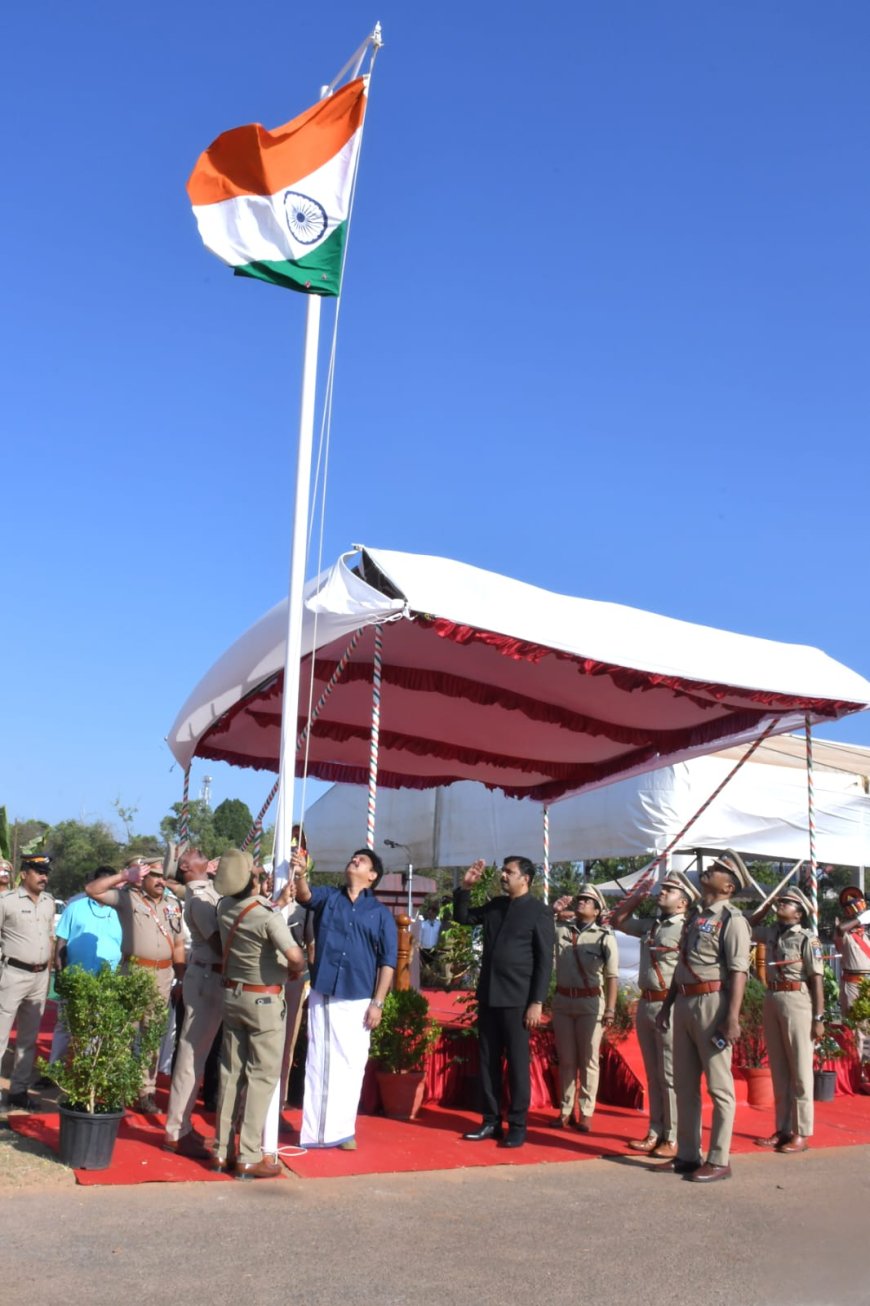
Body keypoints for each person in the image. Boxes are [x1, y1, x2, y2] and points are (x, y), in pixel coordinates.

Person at [656, 850, 752, 1183]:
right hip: (684, 1002)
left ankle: (719, 1158)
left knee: (719, 1086)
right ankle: (686, 1155)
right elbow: (681, 964)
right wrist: (667, 1007)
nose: (708, 870)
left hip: (713, 1005)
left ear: (728, 886)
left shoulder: (732, 920)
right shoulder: (697, 916)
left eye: (717, 869)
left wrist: (733, 1018)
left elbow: (739, 970)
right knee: (684, 1085)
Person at [292, 847, 397, 1150]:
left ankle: (343, 1130)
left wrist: (378, 1003)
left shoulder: (380, 914)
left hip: (360, 997)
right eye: (352, 857)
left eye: (361, 860)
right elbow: (305, 896)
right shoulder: (330, 897)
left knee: (352, 1064)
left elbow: (387, 962)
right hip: (326, 991)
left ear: (372, 875)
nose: (354, 860)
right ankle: (315, 1132)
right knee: (320, 1061)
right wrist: (300, 874)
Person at [212, 848, 305, 1179]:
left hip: (232, 995)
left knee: (230, 1073)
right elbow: (293, 954)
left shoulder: (225, 907)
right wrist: (295, 968)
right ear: (253, 878)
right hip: (263, 1002)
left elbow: (249, 919)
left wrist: (276, 904)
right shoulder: (266, 914)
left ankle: (221, 1149)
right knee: (262, 1077)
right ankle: (250, 1154)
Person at [453, 856, 555, 1149]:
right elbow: (463, 917)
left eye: (509, 872)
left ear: (526, 878)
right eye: (503, 871)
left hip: (518, 1000)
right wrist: (465, 887)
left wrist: (537, 1001)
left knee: (518, 1064)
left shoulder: (539, 912)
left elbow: (544, 961)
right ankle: (490, 1120)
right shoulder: (496, 906)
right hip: (489, 995)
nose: (503, 876)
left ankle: (518, 1125)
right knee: (487, 1061)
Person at [86, 851, 185, 1112]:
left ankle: (146, 1092)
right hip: (133, 971)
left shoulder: (173, 906)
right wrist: (123, 876)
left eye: (164, 877)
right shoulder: (127, 898)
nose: (161, 881)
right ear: (143, 876)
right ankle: (117, 1089)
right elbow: (92, 890)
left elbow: (177, 944)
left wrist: (182, 977)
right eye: (155, 876)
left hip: (163, 975)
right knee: (124, 1033)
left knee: (152, 1036)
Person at [609, 869, 699, 1157]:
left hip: (669, 1004)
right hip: (646, 1003)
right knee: (653, 1073)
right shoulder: (652, 925)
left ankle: (673, 1137)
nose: (662, 892)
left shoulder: (687, 928)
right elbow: (618, 920)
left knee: (671, 1074)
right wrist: (638, 896)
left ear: (683, 902)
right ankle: (655, 1130)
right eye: (662, 889)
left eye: (669, 890)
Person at [750, 886, 824, 1153]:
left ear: (799, 912)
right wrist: (766, 903)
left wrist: (819, 1017)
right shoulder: (770, 933)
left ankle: (802, 1132)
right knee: (779, 1069)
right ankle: (783, 1129)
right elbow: (746, 927)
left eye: (788, 903)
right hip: (773, 999)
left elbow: (816, 979)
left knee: (801, 1070)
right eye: (781, 901)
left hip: (797, 1001)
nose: (782, 905)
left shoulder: (807, 939)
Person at [163, 848, 224, 1157]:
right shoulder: (198, 899)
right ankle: (177, 1129)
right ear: (186, 867)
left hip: (212, 978)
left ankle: (182, 1125)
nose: (202, 853)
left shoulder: (208, 891)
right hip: (206, 978)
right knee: (191, 1056)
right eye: (195, 854)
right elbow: (220, 943)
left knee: (197, 1056)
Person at [550, 883, 618, 1134]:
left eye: (588, 901)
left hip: (590, 1003)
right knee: (566, 1059)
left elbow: (612, 976)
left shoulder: (604, 936)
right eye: (579, 899)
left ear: (598, 910)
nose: (581, 902)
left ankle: (586, 1112)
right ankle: (565, 1111)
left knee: (588, 1060)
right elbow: (539, 931)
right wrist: (554, 910)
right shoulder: (561, 931)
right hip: (563, 1001)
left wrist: (610, 1009)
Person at [48, 866, 123, 1067]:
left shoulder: (121, 911)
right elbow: (61, 941)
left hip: (107, 981)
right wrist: (60, 972)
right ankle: (55, 1069)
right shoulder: (75, 907)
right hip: (75, 978)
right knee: (66, 1025)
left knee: (97, 1026)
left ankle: (87, 1071)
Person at [0, 853, 55, 1110]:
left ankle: (19, 1090)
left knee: (28, 1037)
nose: (44, 877)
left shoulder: (49, 902)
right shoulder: (6, 901)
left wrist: (51, 966)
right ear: (24, 874)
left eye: (45, 872)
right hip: (12, 974)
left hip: (40, 976)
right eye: (38, 871)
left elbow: (50, 938)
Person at [835, 885, 870, 1089]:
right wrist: (859, 919)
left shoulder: (865, 932)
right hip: (853, 984)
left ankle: (866, 1067)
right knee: (858, 1030)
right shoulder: (845, 928)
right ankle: (859, 1071)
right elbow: (839, 931)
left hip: (868, 984)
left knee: (867, 1030)